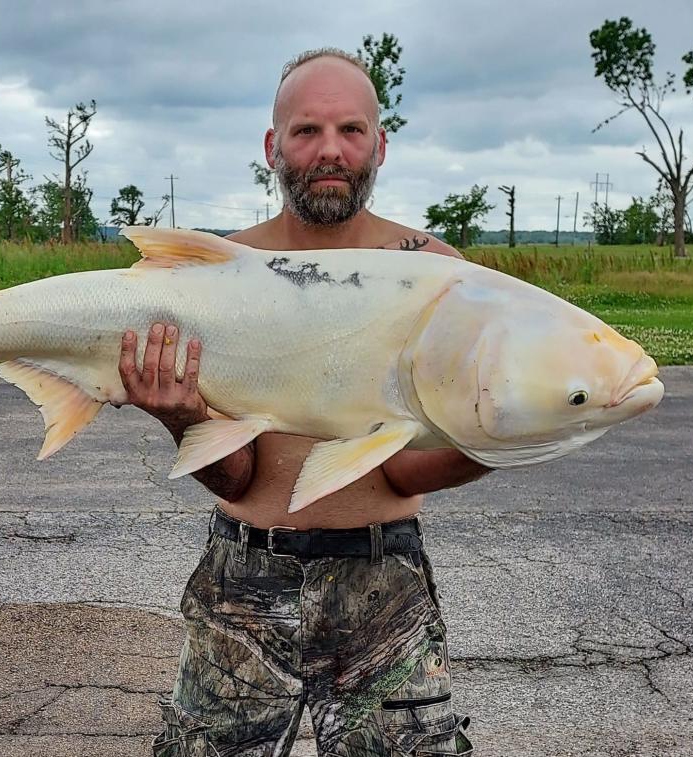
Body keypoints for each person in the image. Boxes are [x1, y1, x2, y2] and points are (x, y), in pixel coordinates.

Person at [120, 48, 486, 757]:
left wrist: (494, 439)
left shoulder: (437, 277)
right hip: (243, 580)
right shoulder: (219, 271)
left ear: (380, 144)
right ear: (272, 146)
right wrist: (180, 415)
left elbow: (401, 472)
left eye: (351, 130)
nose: (331, 151)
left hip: (385, 581)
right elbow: (239, 478)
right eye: (306, 131)